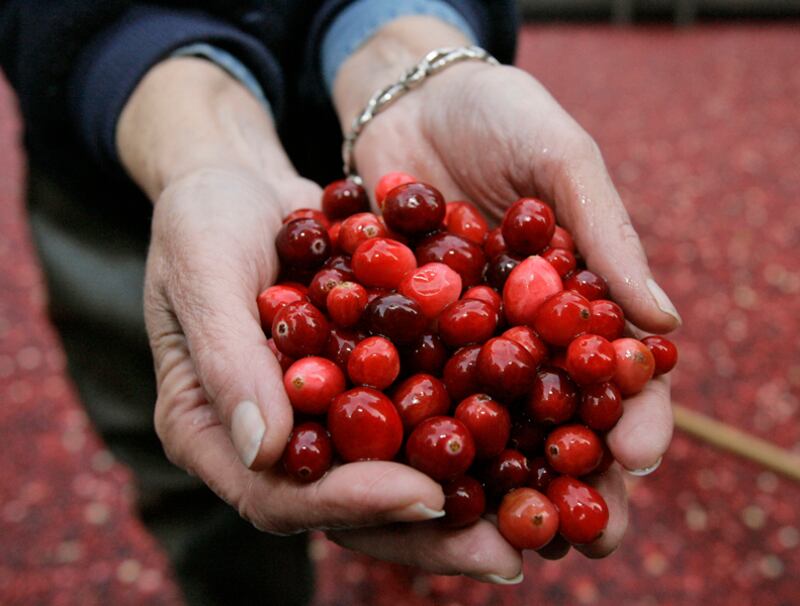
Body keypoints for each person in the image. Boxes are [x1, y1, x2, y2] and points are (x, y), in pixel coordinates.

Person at [0, 1, 680, 604]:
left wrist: (403, 45)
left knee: (381, 481)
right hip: (127, 171)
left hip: (386, 133)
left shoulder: (457, 307)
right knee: (199, 456)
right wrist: (187, 129)